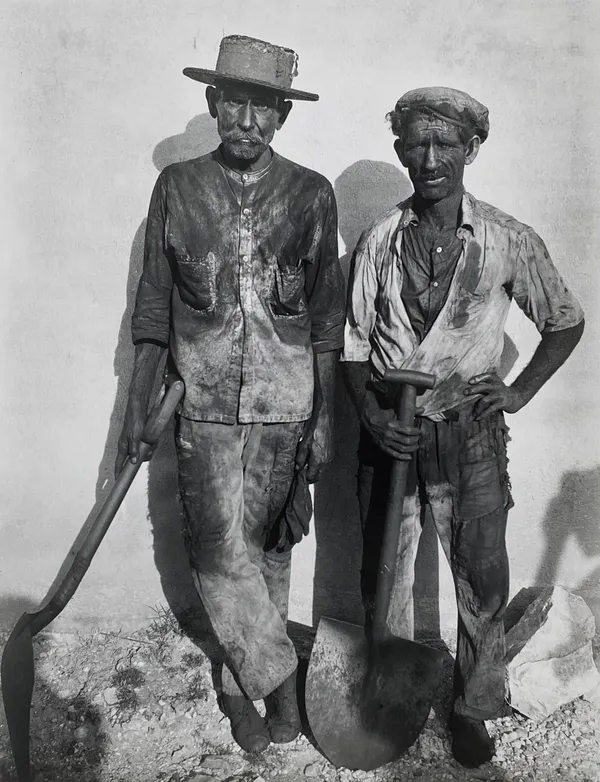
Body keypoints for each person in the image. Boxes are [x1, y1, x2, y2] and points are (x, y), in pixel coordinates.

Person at [341, 86, 584, 768]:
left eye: (446, 144)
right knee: (382, 570)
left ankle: (472, 703)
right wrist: (371, 415)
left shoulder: (506, 239)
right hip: (389, 433)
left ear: (472, 150)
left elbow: (564, 320)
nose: (430, 157)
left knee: (481, 577)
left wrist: (516, 392)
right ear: (401, 151)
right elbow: (355, 348)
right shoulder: (379, 242)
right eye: (416, 143)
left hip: (468, 436)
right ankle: (385, 690)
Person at [116, 35, 345, 753]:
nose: (248, 121)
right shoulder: (178, 188)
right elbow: (155, 307)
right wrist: (136, 409)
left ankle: (246, 683)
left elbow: (327, 318)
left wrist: (326, 417)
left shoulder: (311, 194)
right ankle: (272, 682)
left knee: (270, 548)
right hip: (203, 405)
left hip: (287, 402)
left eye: (264, 108)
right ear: (213, 103)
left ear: (282, 115)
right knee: (217, 552)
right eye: (235, 103)